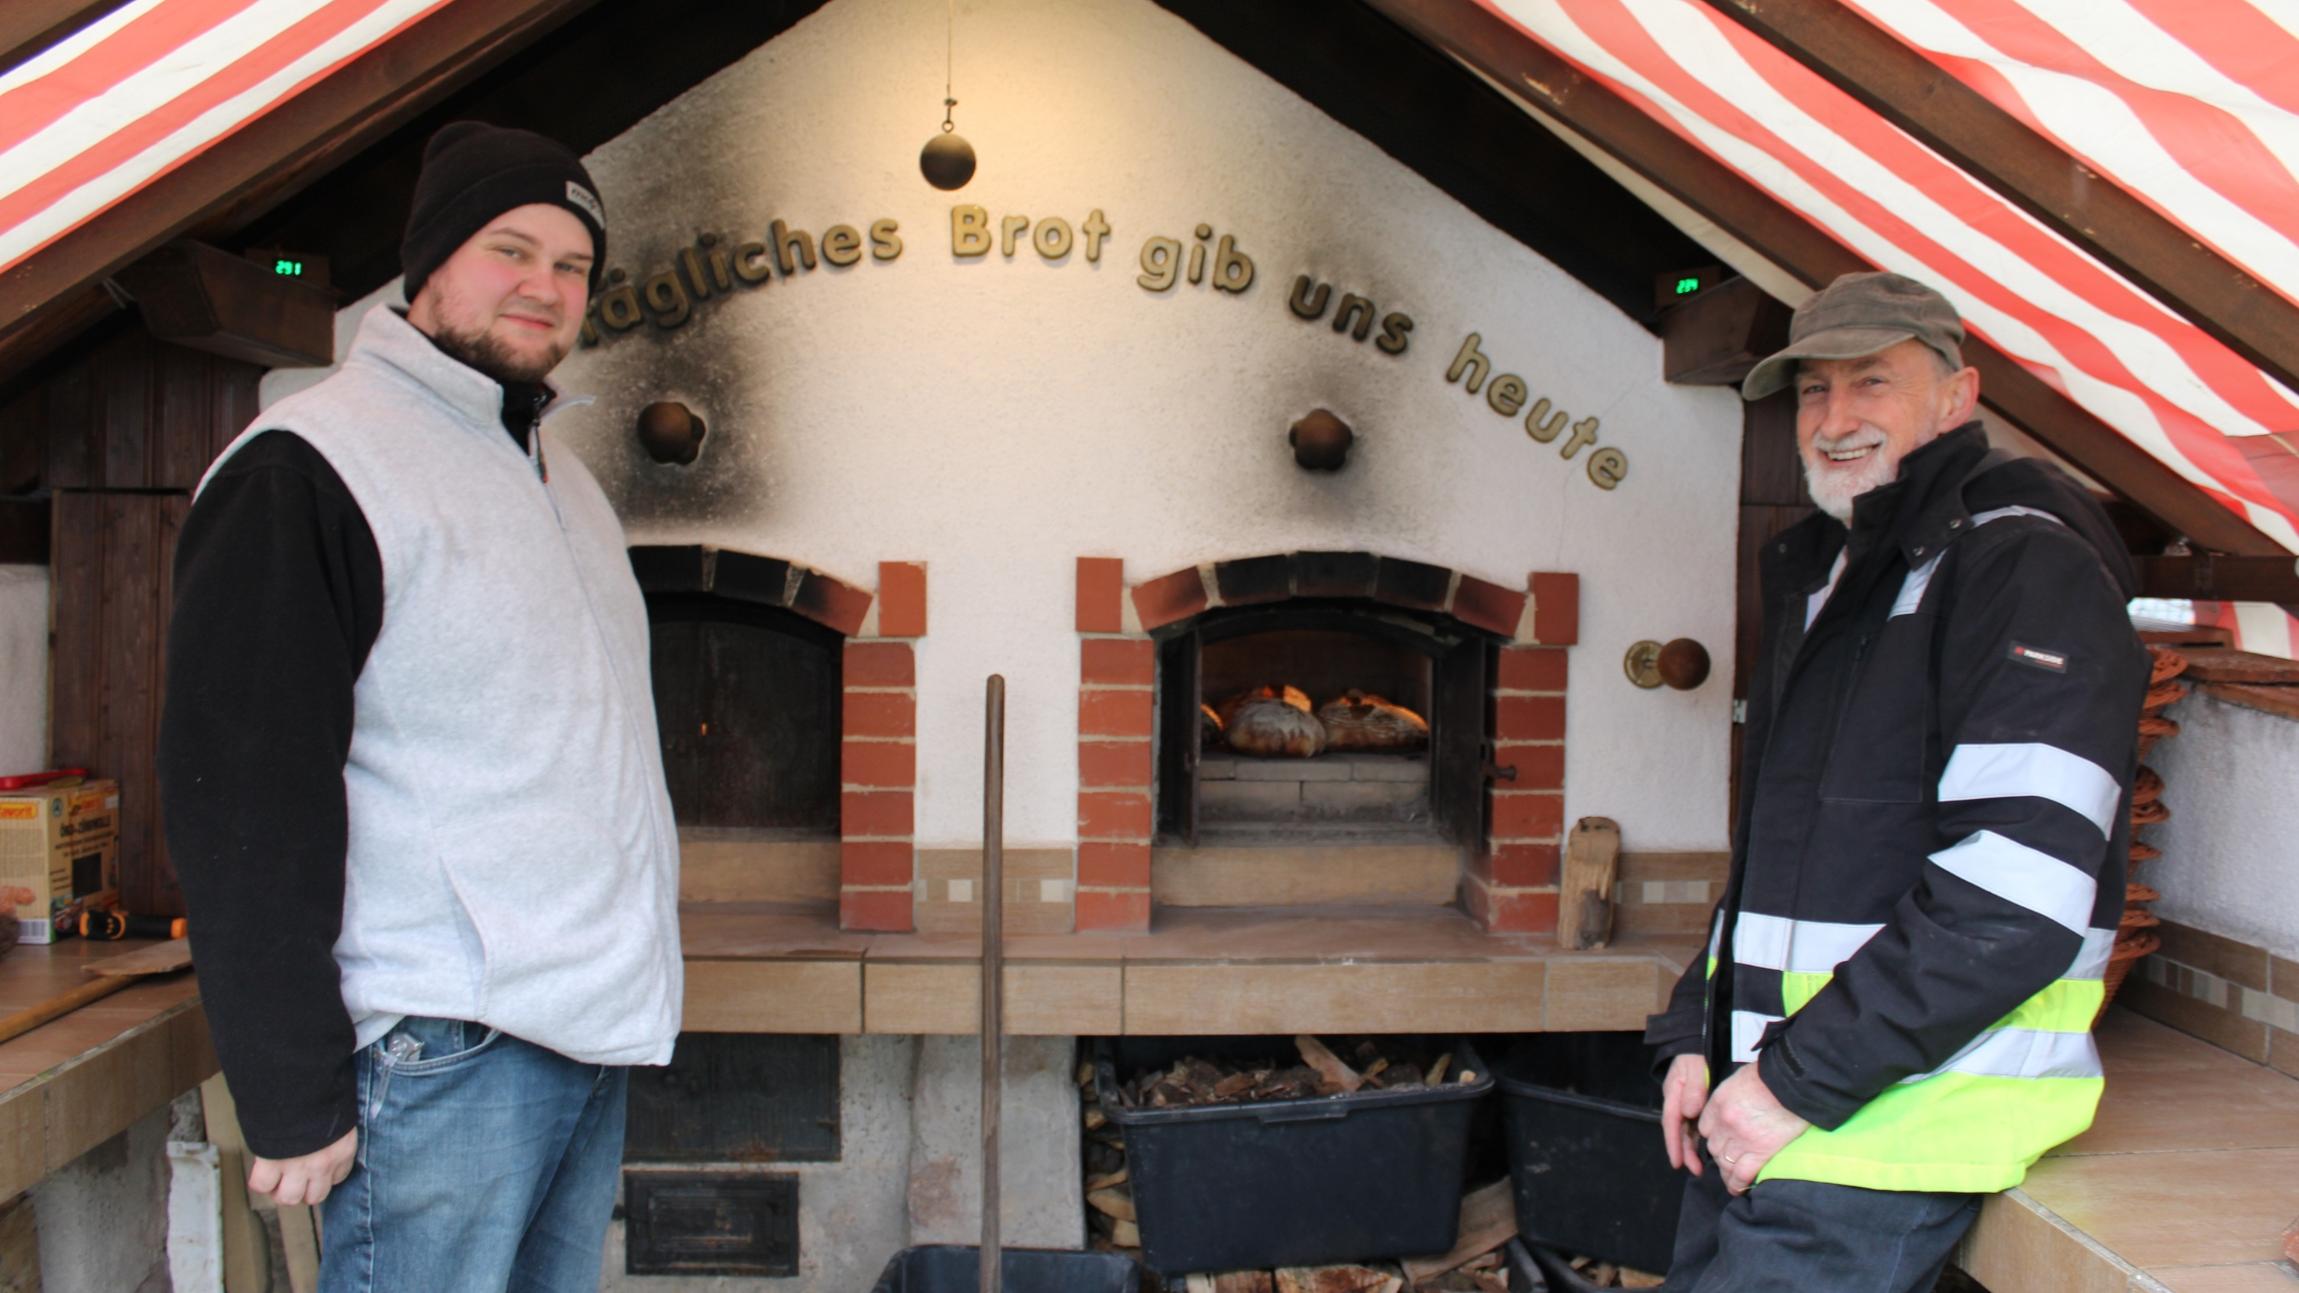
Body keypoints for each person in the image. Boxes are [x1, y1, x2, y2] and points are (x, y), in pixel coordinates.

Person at [159, 122, 681, 1292]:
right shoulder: (310, 466)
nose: (544, 288)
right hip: (441, 1048)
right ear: (430, 263)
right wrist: (290, 1089)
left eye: (572, 266)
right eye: (511, 250)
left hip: (579, 1030)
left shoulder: (559, 475)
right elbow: (241, 793)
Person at [1643, 271, 2148, 1290]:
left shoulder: (2020, 570)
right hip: (1785, 1107)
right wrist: (1696, 1036)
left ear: (1957, 398)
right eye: (1814, 391)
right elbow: (1787, 866)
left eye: (1871, 382)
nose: (1833, 420)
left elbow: (2015, 896)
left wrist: (1789, 1083)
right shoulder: (1851, 573)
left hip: (1887, 1126)